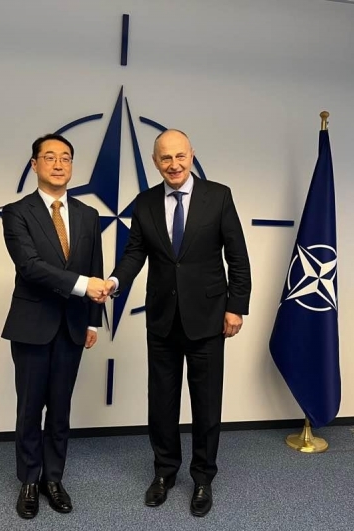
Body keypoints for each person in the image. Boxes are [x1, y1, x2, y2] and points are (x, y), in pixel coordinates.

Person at [101, 129, 251, 517]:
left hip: (208, 319)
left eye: (180, 156)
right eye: (166, 158)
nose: (174, 165)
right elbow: (135, 253)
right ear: (155, 162)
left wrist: (236, 307)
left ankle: (203, 478)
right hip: (162, 320)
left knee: (206, 403)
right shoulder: (146, 201)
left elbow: (237, 256)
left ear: (192, 155)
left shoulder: (218, 196)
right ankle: (164, 473)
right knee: (162, 402)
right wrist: (116, 281)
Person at [1, 133, 105, 519]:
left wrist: (94, 322)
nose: (59, 164)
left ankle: (53, 479)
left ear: (72, 166)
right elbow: (29, 267)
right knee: (30, 407)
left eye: (66, 158)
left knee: (60, 409)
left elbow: (95, 265)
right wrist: (82, 286)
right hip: (31, 325)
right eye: (50, 157)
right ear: (35, 165)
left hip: (74, 326)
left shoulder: (88, 215)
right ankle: (29, 480)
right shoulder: (16, 212)